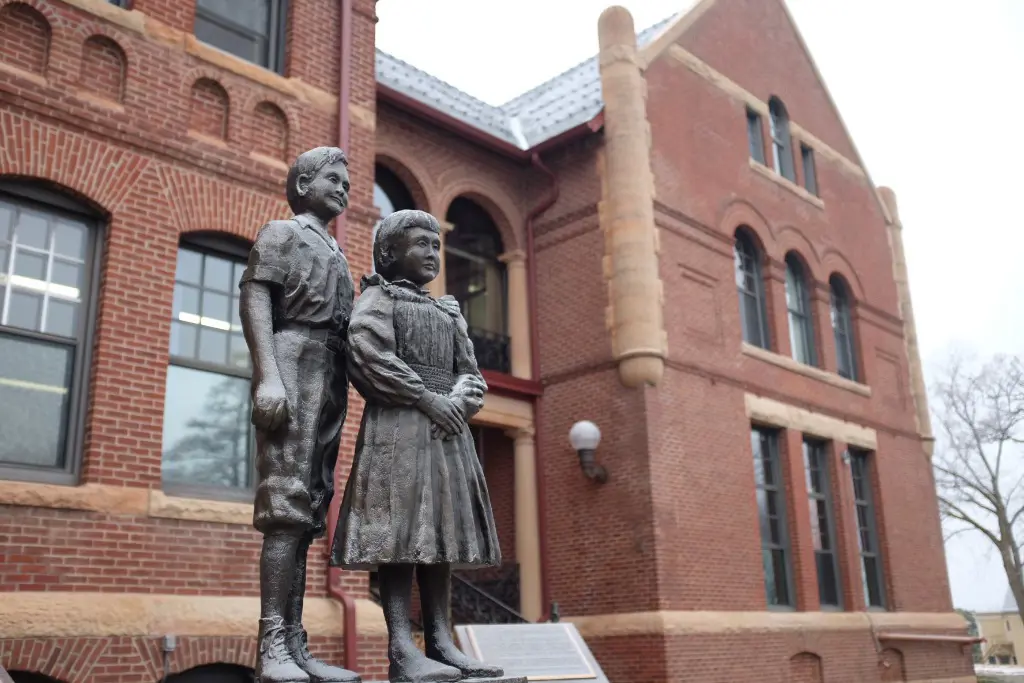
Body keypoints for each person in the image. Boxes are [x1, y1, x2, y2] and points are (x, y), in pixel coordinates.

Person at [332, 209, 505, 683]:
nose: (432, 253)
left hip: (447, 432)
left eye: (436, 245)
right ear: (389, 252)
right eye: (421, 244)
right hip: (399, 428)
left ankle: (442, 641)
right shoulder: (377, 298)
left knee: (441, 535)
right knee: (400, 534)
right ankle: (401, 648)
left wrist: (459, 401)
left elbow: (470, 371)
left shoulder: (448, 310)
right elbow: (367, 354)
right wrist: (426, 398)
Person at [239, 146, 360, 683]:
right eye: (334, 179)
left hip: (330, 373)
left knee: (310, 510)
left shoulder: (336, 252)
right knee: (285, 504)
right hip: (294, 360)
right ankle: (272, 647)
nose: (344, 189)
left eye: (348, 183)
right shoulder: (282, 233)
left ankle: (295, 641)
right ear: (304, 182)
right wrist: (267, 373)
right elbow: (256, 297)